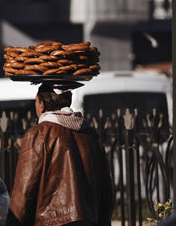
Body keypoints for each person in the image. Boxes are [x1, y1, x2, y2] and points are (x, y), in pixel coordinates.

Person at [6, 83, 114, 226]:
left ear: (41, 104)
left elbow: (23, 195)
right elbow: (107, 192)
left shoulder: (38, 134)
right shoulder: (91, 135)